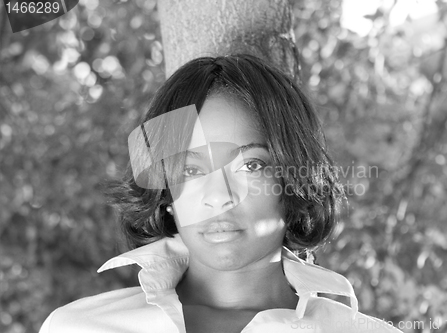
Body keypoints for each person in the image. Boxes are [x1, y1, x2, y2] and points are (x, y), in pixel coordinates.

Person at [39, 54, 402, 333]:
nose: (219, 196)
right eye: (191, 170)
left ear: (294, 181)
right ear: (165, 194)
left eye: (251, 165)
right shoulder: (79, 327)